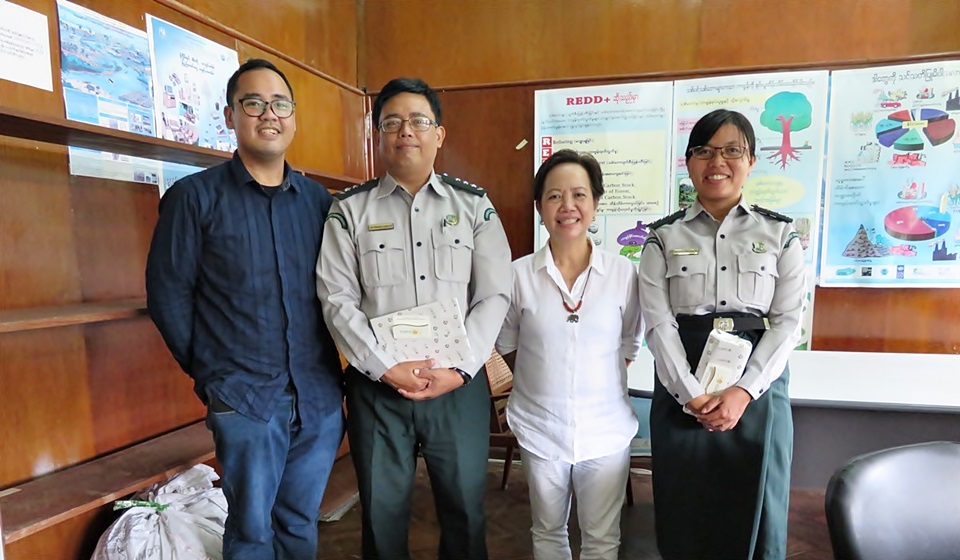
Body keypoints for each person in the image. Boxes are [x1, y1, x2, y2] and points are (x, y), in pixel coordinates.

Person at [146, 58, 344, 560]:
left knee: (300, 522)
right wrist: (214, 375)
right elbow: (169, 295)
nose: (268, 114)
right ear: (231, 115)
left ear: (294, 118)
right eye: (253, 103)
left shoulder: (318, 203)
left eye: (280, 104)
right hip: (245, 399)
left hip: (317, 398)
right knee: (252, 532)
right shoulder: (194, 198)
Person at [316, 77, 512, 560]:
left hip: (457, 384)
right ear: (378, 134)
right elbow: (336, 298)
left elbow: (494, 293)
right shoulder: (348, 210)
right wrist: (383, 366)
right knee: (381, 518)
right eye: (393, 122)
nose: (407, 131)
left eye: (419, 121)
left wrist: (462, 367)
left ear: (439, 134)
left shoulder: (473, 205)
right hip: (377, 388)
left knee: (465, 512)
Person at [638, 108, 805, 560]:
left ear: (751, 161)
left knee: (759, 508)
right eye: (705, 151)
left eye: (732, 150)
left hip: (757, 384)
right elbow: (657, 323)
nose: (718, 161)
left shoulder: (781, 234)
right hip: (681, 382)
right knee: (686, 506)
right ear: (689, 162)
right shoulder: (662, 238)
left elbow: (788, 323)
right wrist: (691, 394)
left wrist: (743, 392)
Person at [495, 149, 643, 560]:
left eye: (579, 194)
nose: (568, 206)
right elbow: (508, 346)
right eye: (555, 196)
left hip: (606, 430)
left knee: (601, 538)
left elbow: (630, 343)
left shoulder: (623, 274)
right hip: (540, 428)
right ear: (540, 206)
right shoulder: (517, 275)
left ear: (595, 203)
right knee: (547, 531)